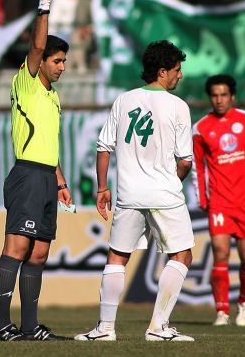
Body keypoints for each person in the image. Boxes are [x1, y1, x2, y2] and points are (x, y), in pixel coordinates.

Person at [75, 40, 195, 342]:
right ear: (163, 71)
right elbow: (185, 160)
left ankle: (105, 329)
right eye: (177, 70)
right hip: (165, 195)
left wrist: (102, 188)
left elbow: (103, 147)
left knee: (117, 257)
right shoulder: (178, 106)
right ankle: (158, 327)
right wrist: (172, 180)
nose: (180, 75)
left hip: (128, 194)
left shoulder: (124, 100)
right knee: (182, 255)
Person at [0, 0, 73, 342]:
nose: (62, 66)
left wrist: (60, 181)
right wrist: (45, 2)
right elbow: (37, 44)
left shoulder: (52, 96)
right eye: (57, 60)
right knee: (17, 247)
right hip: (26, 175)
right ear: (40, 61)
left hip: (46, 177)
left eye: (64, 61)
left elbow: (49, 144)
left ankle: (29, 327)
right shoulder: (27, 81)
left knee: (39, 253)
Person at [191, 74, 245, 327]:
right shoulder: (201, 128)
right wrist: (202, 197)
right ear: (210, 98)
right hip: (219, 202)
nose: (219, 100)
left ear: (232, 96)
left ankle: (244, 304)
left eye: (224, 95)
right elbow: (198, 166)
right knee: (220, 252)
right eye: (214, 95)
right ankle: (222, 312)